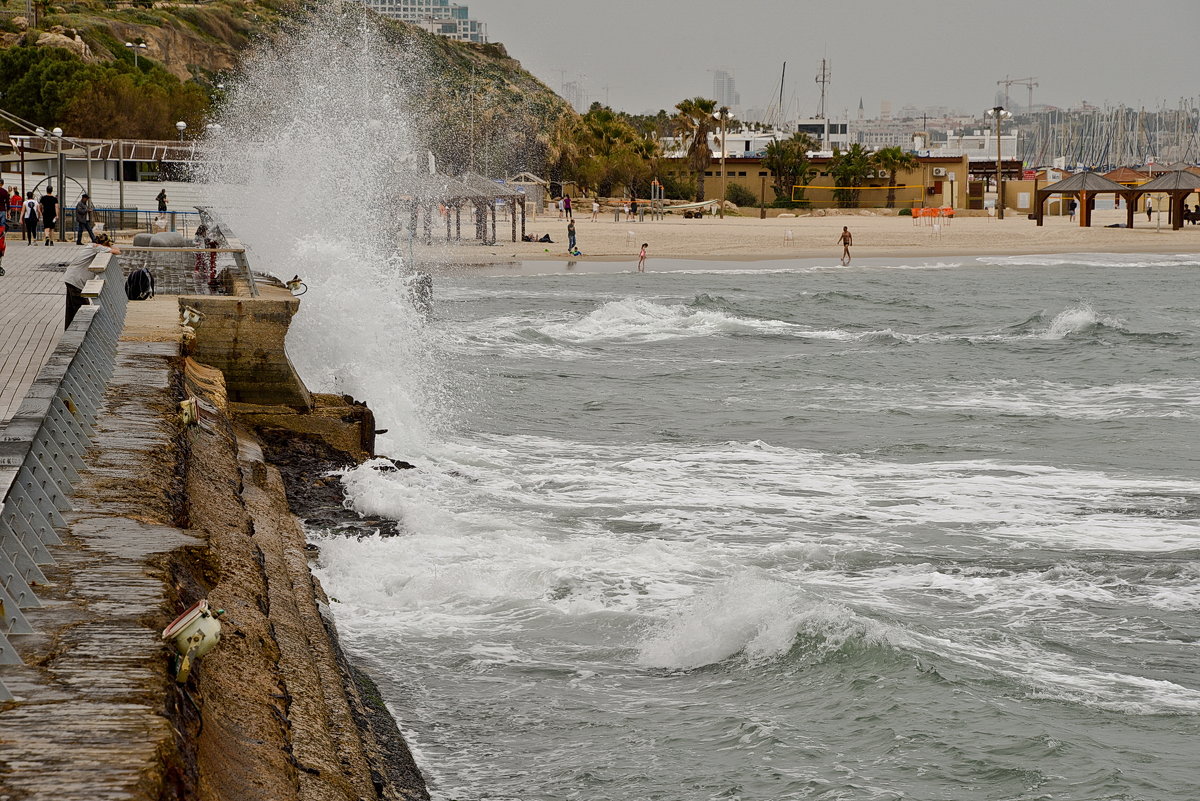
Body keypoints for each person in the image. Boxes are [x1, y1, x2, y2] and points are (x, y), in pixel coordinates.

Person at [63, 232, 120, 329]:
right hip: (76, 281)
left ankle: (69, 330)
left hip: (71, 278)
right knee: (83, 309)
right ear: (105, 244)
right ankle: (81, 332)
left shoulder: (92, 247)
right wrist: (110, 248)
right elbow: (117, 251)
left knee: (71, 309)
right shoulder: (96, 247)